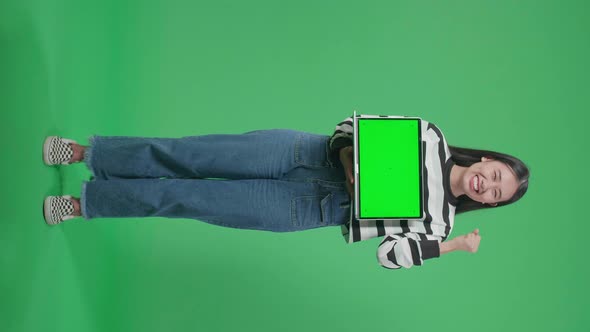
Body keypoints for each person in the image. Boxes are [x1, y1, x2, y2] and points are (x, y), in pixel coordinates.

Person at [42, 115, 530, 269]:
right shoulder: (431, 135)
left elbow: (390, 256)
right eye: (497, 174)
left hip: (309, 208)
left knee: (191, 199)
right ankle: (89, 154)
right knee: (188, 155)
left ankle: (86, 204)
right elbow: (350, 125)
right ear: (486, 160)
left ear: (488, 203)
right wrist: (348, 161)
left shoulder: (441, 224)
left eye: (496, 194)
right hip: (302, 154)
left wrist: (452, 245)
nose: (489, 185)